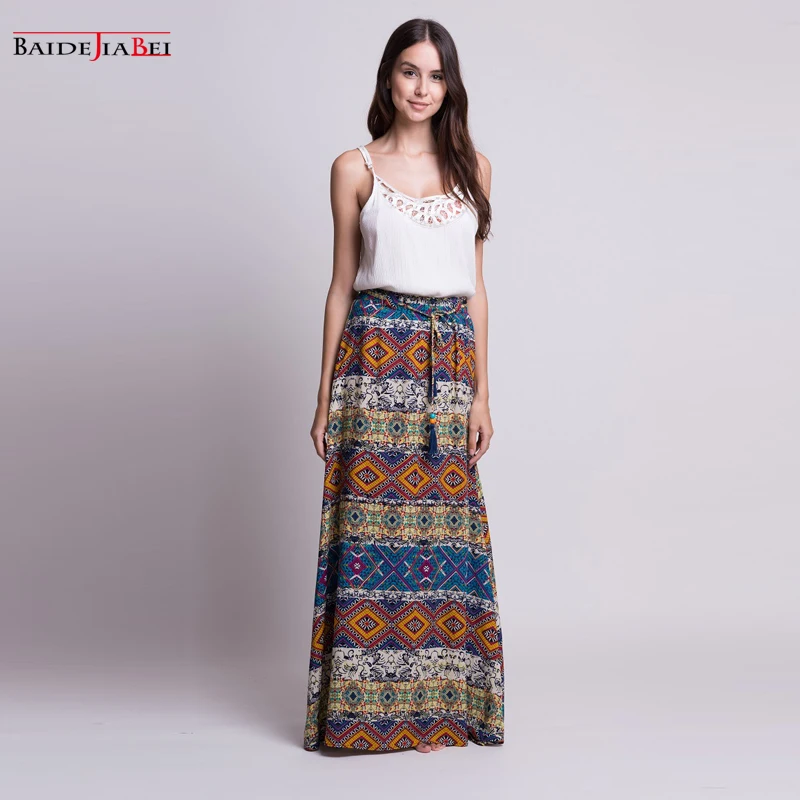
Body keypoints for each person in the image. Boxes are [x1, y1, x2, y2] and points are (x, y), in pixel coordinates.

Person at [303, 17, 504, 754]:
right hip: (373, 363)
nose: (422, 88)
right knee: (370, 535)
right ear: (389, 76)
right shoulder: (352, 168)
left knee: (443, 539)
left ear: (451, 86)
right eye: (410, 71)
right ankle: (364, 719)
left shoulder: (475, 169)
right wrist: (323, 399)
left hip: (448, 366)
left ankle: (439, 712)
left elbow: (477, 291)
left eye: (436, 75)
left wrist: (482, 394)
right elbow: (339, 287)